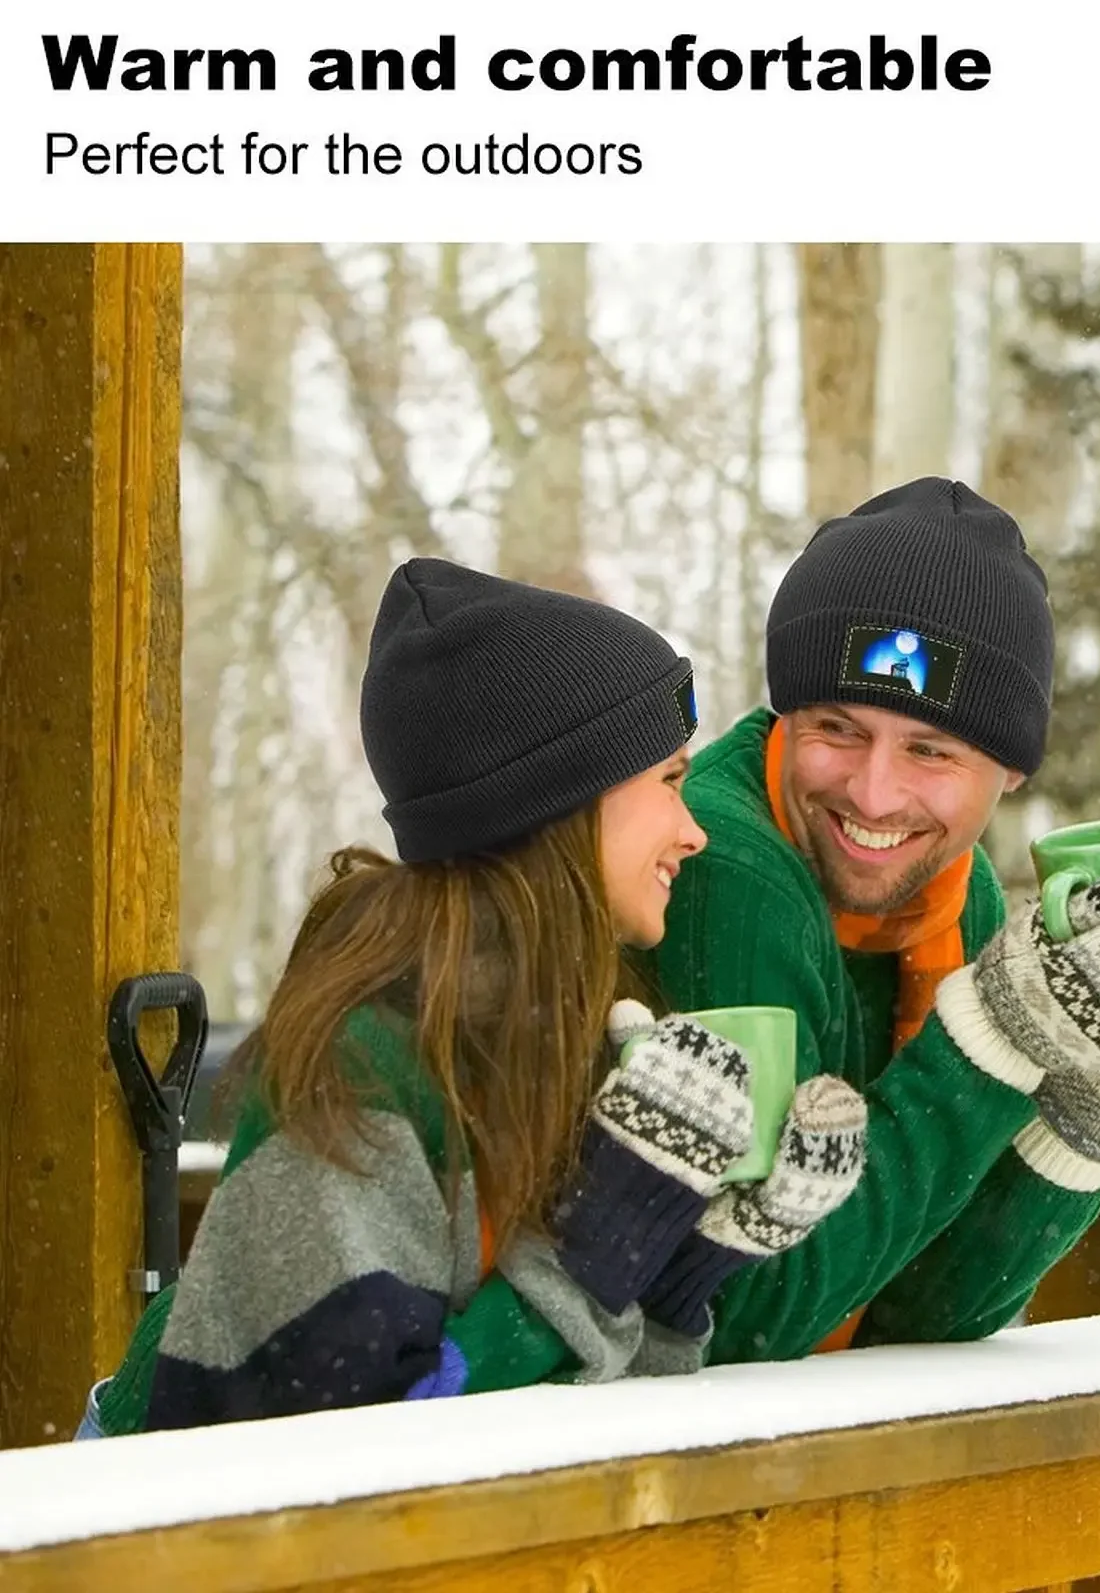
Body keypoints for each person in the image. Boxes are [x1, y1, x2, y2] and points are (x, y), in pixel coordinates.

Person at [78, 558, 866, 1437]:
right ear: (559, 802)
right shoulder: (361, 1061)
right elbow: (347, 1449)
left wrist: (682, 1269)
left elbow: (560, 1411)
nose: (694, 831)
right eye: (670, 782)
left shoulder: (560, 1026)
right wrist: (590, 1260)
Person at [637, 476, 1100, 1361]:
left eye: (930, 750)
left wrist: (1092, 1109)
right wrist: (988, 1041)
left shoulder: (956, 894)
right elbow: (749, 1312)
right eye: (837, 728)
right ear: (785, 717)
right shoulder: (725, 869)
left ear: (1012, 772)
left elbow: (926, 1308)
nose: (874, 793)